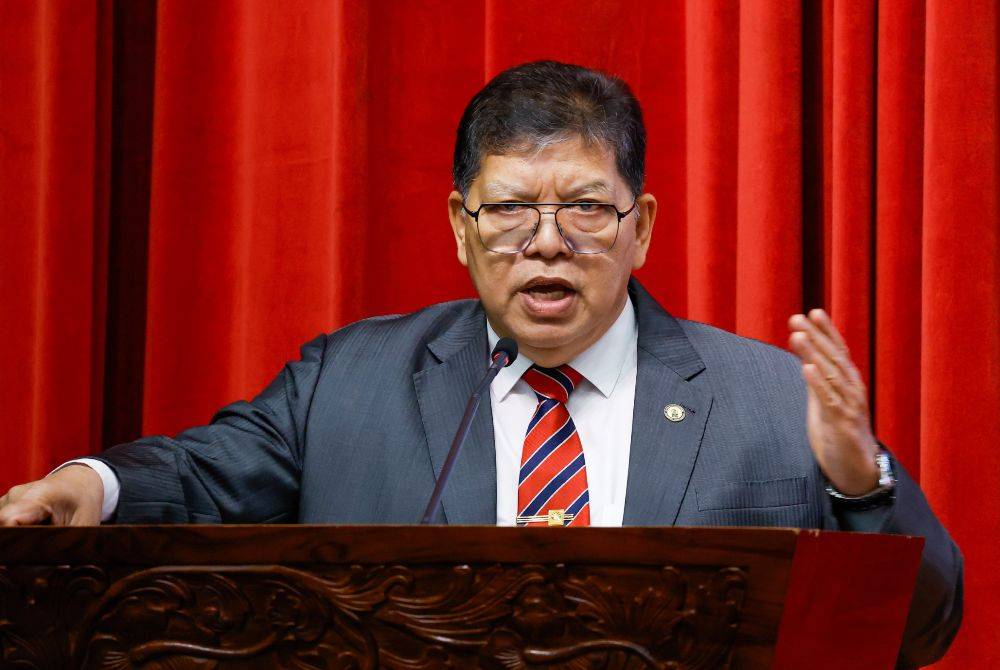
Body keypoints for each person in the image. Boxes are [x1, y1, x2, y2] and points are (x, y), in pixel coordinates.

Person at [0, 61, 961, 665]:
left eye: (586, 207)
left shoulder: (766, 401)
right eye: (508, 210)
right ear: (461, 226)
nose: (546, 242)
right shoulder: (353, 379)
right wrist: (88, 483)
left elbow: (923, 631)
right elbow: (206, 474)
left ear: (642, 228)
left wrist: (857, 482)